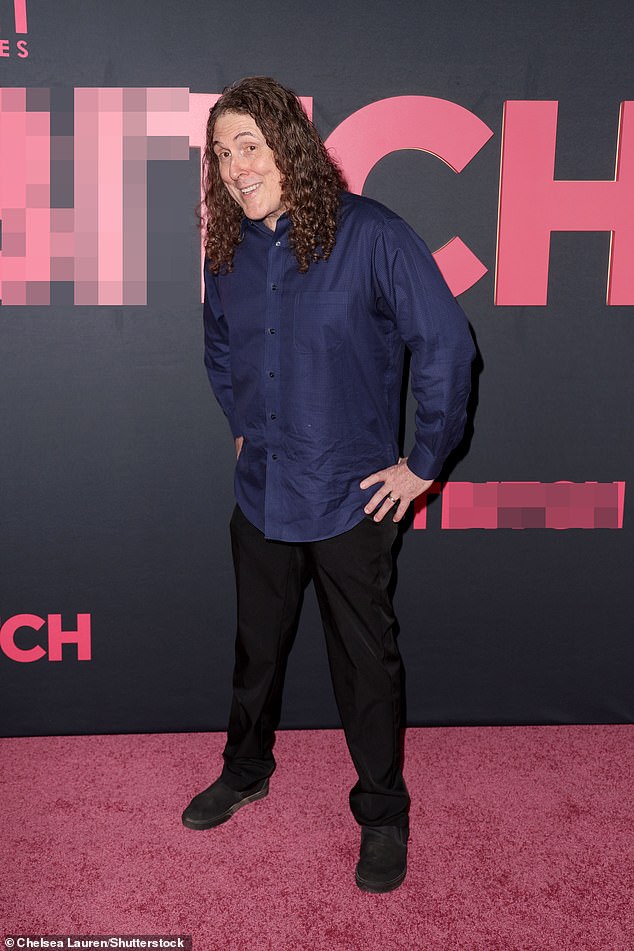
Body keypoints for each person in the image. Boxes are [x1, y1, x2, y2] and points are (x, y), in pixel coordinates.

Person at [182, 76, 475, 894]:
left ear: (289, 143)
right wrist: (243, 419)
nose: (237, 166)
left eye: (250, 144)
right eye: (223, 153)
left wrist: (423, 463)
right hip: (261, 490)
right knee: (256, 653)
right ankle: (245, 770)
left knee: (364, 664)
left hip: (350, 500)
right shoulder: (228, 250)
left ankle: (382, 812)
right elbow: (218, 346)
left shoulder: (372, 235)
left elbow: (448, 347)